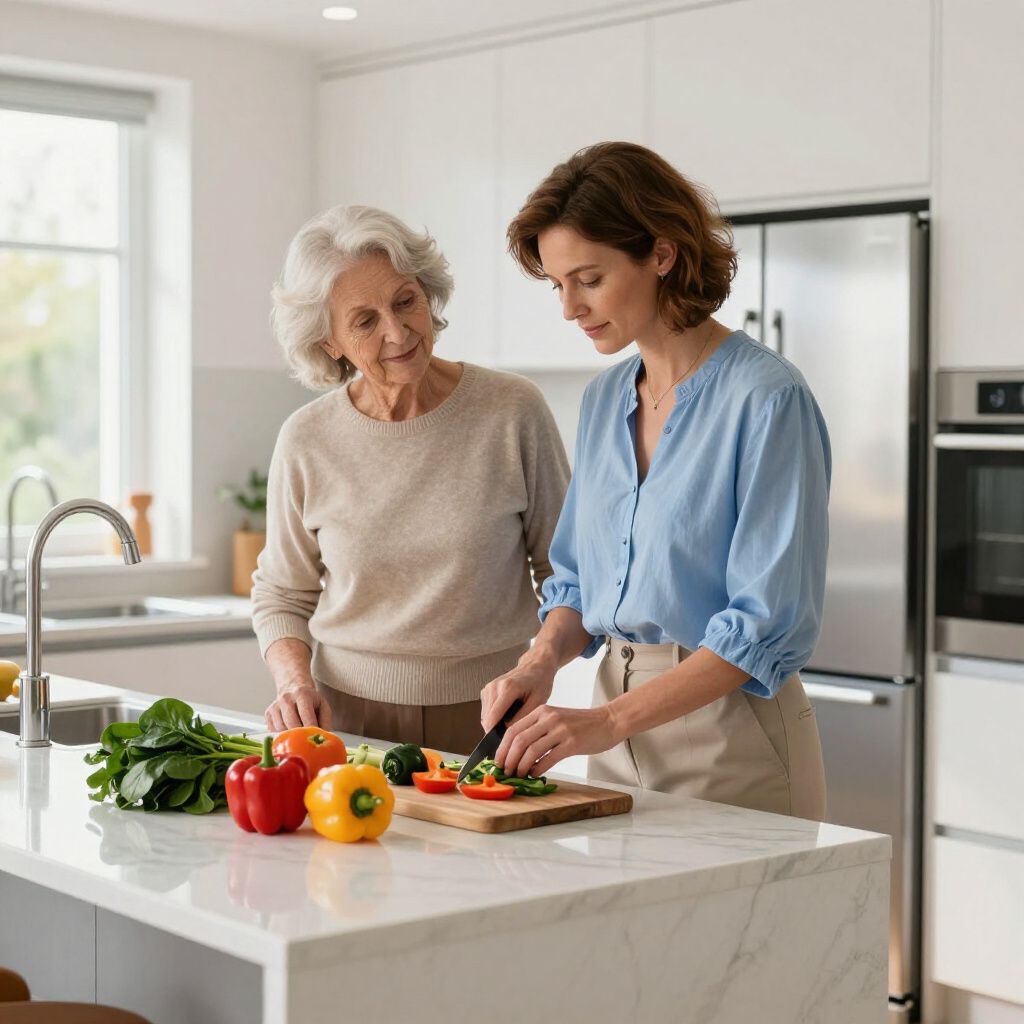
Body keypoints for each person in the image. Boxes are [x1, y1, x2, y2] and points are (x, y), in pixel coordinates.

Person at [481, 142, 829, 819]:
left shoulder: (767, 399)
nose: (569, 308)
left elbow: (762, 624)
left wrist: (606, 722)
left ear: (662, 255)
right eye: (558, 285)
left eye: (589, 278)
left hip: (734, 736)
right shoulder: (604, 399)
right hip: (614, 726)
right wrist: (541, 662)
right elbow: (579, 580)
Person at [253, 205, 570, 754]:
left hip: (493, 714)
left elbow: (568, 571)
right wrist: (294, 682)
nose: (398, 332)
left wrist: (540, 664)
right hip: (346, 718)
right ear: (330, 341)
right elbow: (281, 592)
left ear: (428, 296)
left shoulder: (512, 411)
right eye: (365, 320)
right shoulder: (307, 439)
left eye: (406, 302)